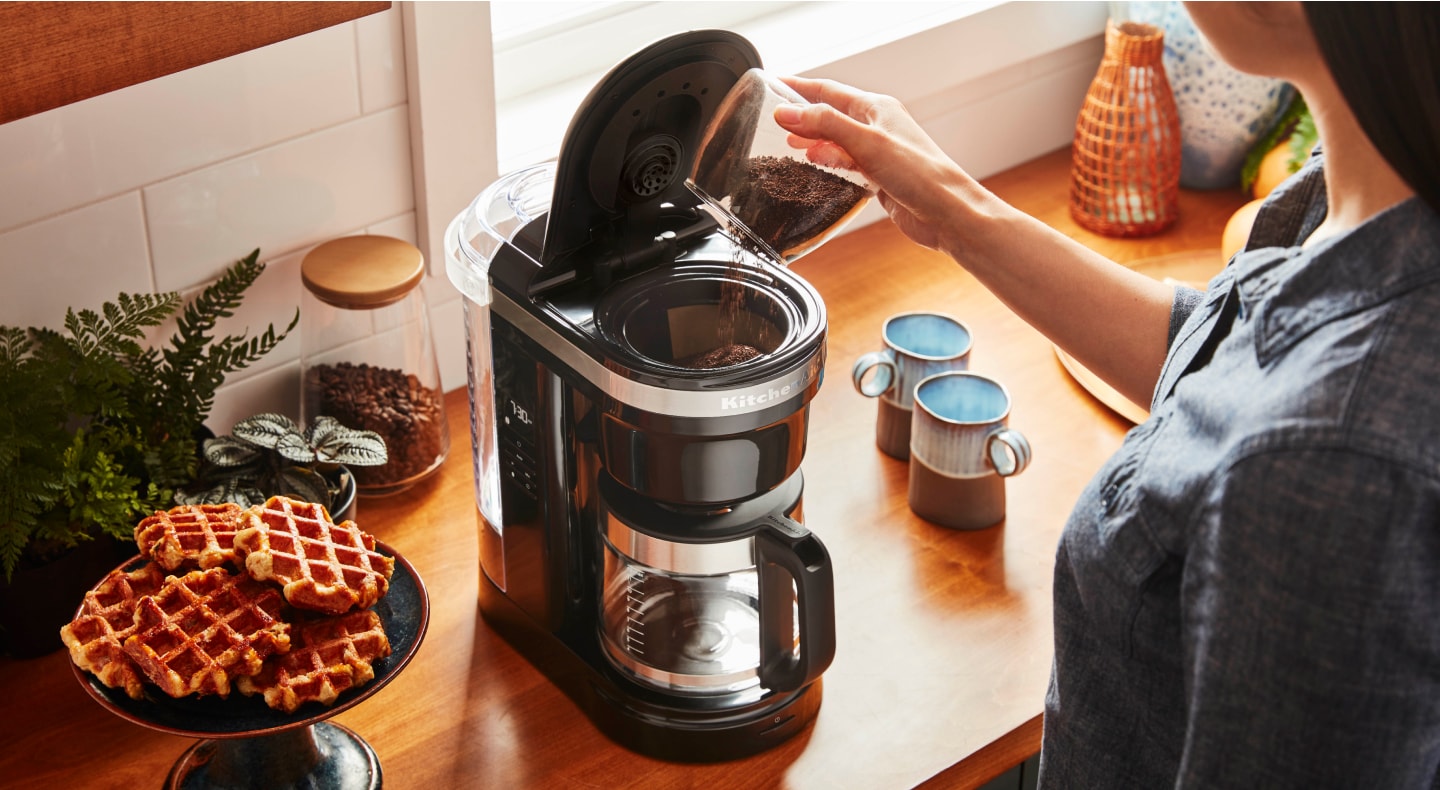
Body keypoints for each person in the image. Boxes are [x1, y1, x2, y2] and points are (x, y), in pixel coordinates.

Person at [774, 3, 1440, 787]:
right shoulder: (1370, 190)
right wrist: (954, 206)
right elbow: (1224, 364)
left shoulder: (1324, 471)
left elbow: (1275, 416)